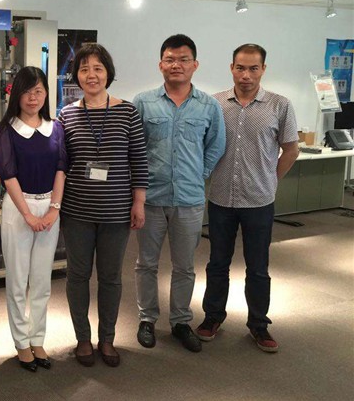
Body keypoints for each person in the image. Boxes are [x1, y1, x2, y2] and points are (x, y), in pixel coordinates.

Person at [197, 44, 299, 353]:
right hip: (221, 199)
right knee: (217, 263)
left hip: (258, 202)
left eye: (253, 68)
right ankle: (212, 317)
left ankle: (258, 324)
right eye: (240, 67)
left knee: (257, 267)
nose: (246, 75)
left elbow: (291, 149)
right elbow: (203, 145)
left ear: (263, 69)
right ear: (232, 68)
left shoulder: (280, 105)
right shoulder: (215, 103)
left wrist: (271, 179)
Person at [132, 34, 225, 353]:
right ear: (160, 65)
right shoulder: (143, 102)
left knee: (184, 266)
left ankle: (181, 321)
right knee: (146, 264)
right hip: (151, 198)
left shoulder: (209, 106)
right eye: (170, 59)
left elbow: (216, 145)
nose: (177, 65)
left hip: (189, 199)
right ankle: (147, 319)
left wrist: (199, 174)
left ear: (195, 65)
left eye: (183, 59)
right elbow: (134, 148)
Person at [58, 43, 148, 367]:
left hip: (116, 212)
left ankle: (107, 338)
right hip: (76, 212)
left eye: (98, 68)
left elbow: (139, 160)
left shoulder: (127, 112)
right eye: (84, 69)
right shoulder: (66, 114)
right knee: (77, 276)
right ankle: (82, 338)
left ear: (108, 73)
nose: (91, 75)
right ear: (77, 75)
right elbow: (61, 165)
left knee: (110, 277)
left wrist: (139, 202)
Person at [0, 66, 67, 372]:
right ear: (16, 95)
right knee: (17, 279)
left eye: (38, 91)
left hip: (50, 208)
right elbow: (7, 173)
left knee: (41, 280)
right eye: (26, 91)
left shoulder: (56, 127)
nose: (33, 97)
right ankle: (21, 342)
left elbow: (61, 168)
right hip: (18, 209)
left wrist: (54, 208)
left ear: (46, 94)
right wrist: (27, 213)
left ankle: (38, 339)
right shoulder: (6, 129)